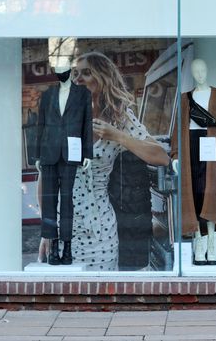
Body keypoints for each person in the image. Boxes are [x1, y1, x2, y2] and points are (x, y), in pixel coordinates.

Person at [41, 51, 169, 271]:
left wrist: (118, 136)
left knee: (101, 294)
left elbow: (161, 157)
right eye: (75, 74)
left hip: (100, 229)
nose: (78, 79)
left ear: (102, 78)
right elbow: (46, 178)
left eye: (86, 73)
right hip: (64, 227)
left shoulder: (120, 118)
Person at [170, 58, 216, 266]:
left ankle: (212, 244)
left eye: (202, 69)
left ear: (207, 70)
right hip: (191, 144)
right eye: (195, 71)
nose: (199, 74)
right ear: (192, 73)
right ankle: (198, 243)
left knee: (211, 193)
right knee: (194, 194)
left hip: (211, 145)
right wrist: (176, 154)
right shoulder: (185, 98)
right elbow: (178, 128)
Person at [34, 61, 93, 265]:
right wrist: (37, 156)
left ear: (70, 71)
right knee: (50, 203)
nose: (61, 74)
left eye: (64, 71)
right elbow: (40, 124)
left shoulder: (83, 94)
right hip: (49, 153)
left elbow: (87, 124)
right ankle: (53, 249)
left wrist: (87, 153)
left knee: (67, 202)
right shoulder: (48, 94)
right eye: (57, 72)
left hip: (70, 153)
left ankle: (67, 249)